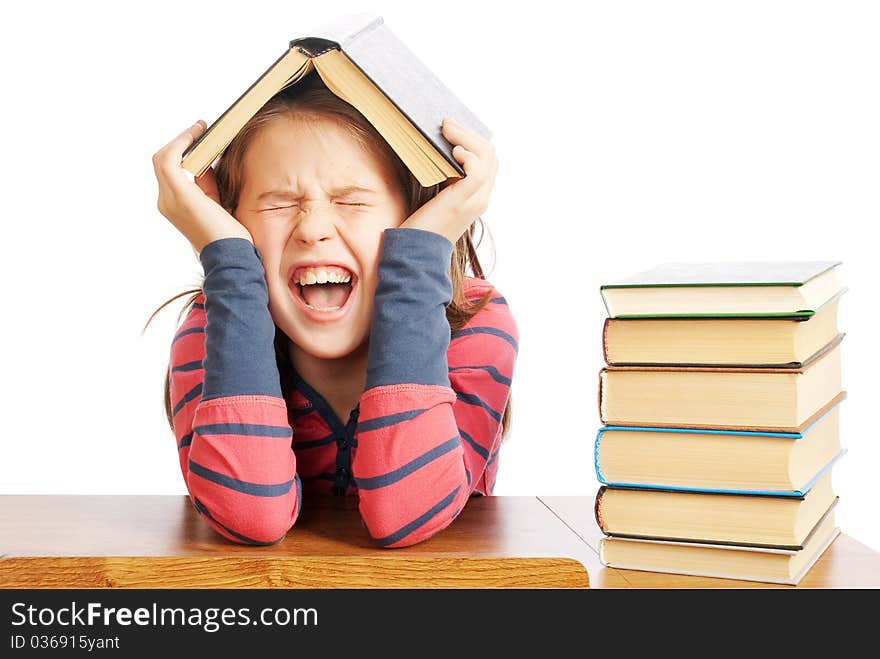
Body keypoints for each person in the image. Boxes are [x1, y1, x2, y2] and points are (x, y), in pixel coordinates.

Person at [146, 72, 518, 547]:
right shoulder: (214, 327)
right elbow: (250, 516)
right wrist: (230, 271)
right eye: (278, 204)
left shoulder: (476, 320)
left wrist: (420, 260)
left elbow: (404, 516)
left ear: (415, 218)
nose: (313, 228)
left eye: (352, 200)